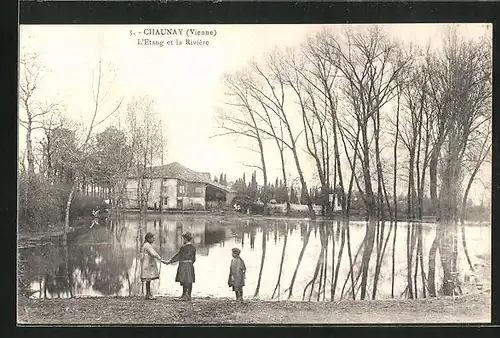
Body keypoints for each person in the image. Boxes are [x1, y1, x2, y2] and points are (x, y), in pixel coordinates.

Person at [166, 232, 196, 301]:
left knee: (184, 279)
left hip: (183, 265)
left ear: (185, 239)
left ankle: (184, 295)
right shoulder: (193, 248)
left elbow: (178, 256)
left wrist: (170, 261)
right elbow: (194, 259)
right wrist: (190, 263)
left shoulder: (183, 247)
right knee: (190, 280)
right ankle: (189, 296)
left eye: (183, 239)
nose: (183, 240)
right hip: (190, 265)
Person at [141, 232, 168, 300]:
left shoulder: (145, 245)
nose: (154, 239)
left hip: (147, 263)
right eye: (152, 238)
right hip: (148, 264)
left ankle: (148, 293)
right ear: (148, 238)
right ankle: (148, 294)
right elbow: (153, 254)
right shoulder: (148, 245)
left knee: (148, 280)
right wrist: (161, 259)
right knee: (148, 279)